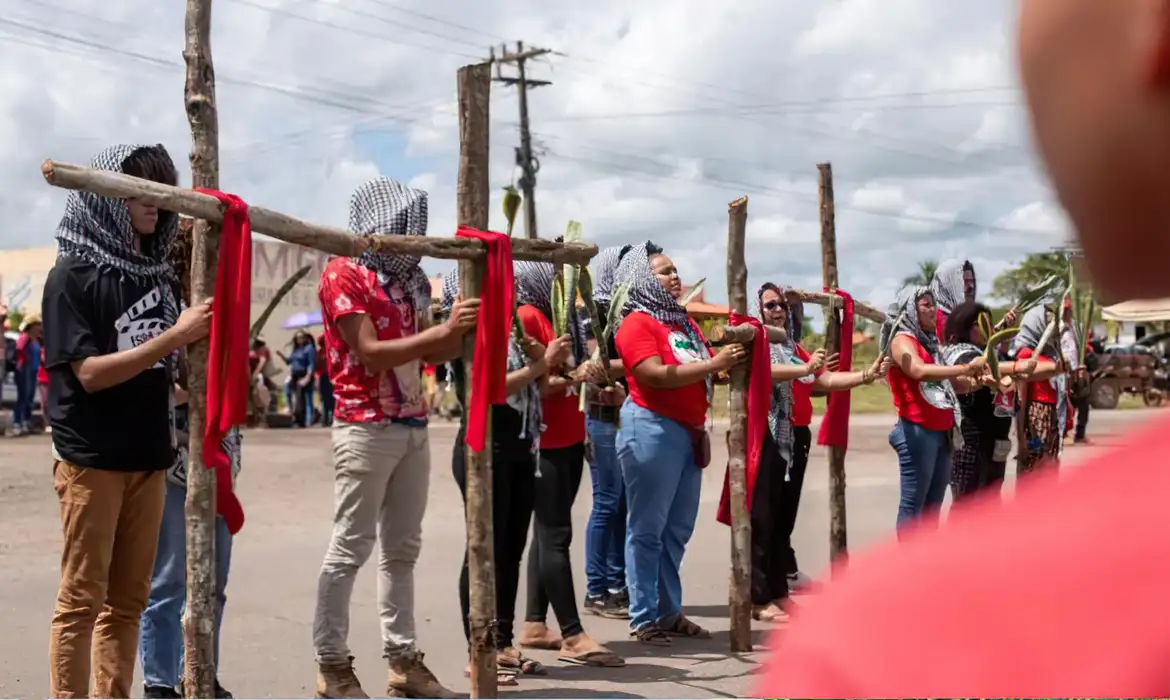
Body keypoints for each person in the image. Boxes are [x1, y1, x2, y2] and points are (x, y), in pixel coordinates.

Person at [758, 1, 1170, 694]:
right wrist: (991, 366)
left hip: (954, 436)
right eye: (950, 290)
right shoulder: (916, 338)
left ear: (1151, 39)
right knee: (929, 513)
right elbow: (927, 371)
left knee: (956, 516)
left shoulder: (864, 647)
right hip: (928, 431)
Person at [41, 144, 213, 699]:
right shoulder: (72, 275)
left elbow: (163, 373)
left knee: (129, 601)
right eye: (139, 190)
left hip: (150, 456)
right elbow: (88, 373)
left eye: (162, 192)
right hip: (91, 459)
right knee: (81, 599)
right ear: (108, 198)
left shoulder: (156, 276)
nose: (153, 204)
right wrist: (175, 336)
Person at [313, 176, 476, 699]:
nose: (413, 233)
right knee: (349, 547)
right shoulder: (344, 274)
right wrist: (440, 334)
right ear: (380, 223)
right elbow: (370, 350)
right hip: (365, 425)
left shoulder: (413, 281)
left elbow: (431, 355)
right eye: (404, 222)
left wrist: (459, 332)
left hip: (411, 424)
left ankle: (403, 660)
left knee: (402, 549)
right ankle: (332, 663)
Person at [613, 241, 745, 645]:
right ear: (641, 280)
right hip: (652, 428)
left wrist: (723, 369)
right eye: (664, 271)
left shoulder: (682, 324)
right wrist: (714, 364)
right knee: (647, 529)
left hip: (687, 432)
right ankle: (643, 617)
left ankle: (669, 611)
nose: (674, 276)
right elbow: (653, 374)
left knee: (677, 529)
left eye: (675, 270)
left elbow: (700, 369)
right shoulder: (638, 323)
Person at [741, 283, 890, 622]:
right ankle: (757, 597)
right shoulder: (755, 344)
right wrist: (804, 371)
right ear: (757, 310)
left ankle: (779, 592)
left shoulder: (793, 347)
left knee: (783, 520)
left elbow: (823, 380)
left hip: (796, 436)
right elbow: (764, 374)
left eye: (781, 305)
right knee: (762, 518)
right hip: (768, 434)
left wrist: (866, 375)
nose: (778, 310)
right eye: (770, 305)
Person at [442, 271, 564, 686]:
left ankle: (502, 641)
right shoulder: (467, 328)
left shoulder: (512, 333)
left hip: (520, 447)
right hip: (483, 448)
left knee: (510, 550)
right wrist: (540, 365)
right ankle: (478, 651)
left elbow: (538, 386)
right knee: (483, 551)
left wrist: (543, 360)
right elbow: (491, 387)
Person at [509, 261, 624, 668]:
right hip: (547, 441)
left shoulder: (551, 316)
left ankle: (535, 623)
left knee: (547, 535)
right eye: (556, 275)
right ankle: (573, 634)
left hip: (567, 438)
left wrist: (583, 378)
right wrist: (578, 376)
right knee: (556, 535)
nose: (564, 282)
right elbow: (539, 384)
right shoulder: (528, 317)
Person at [884, 288, 986, 534]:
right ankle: (908, 567)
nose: (933, 310)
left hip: (941, 432)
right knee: (913, 506)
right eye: (925, 305)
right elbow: (918, 371)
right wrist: (964, 368)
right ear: (909, 310)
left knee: (932, 510)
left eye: (933, 304)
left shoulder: (929, 344)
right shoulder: (901, 340)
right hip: (917, 431)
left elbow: (952, 386)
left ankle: (924, 566)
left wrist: (986, 381)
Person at [941, 301, 1056, 503]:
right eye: (980, 324)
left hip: (996, 440)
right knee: (966, 504)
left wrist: (1057, 368)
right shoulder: (960, 353)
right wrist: (1018, 368)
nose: (988, 329)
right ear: (966, 326)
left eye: (989, 323)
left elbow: (1016, 375)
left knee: (991, 504)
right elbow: (1002, 369)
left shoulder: (991, 352)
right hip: (971, 441)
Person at [580, 245, 632, 619]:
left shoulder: (630, 311)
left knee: (623, 504)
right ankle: (597, 588)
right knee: (607, 502)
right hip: (602, 417)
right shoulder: (596, 312)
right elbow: (592, 368)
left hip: (624, 413)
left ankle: (616, 584)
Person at [1011, 305, 1066, 474]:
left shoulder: (1051, 354)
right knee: (1034, 473)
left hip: (1050, 418)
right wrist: (1021, 438)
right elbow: (1021, 398)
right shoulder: (1027, 354)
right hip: (1036, 420)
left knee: (1048, 473)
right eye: (1049, 322)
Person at [10, 313, 42, 436]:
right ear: (31, 326)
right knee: (23, 396)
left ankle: (25, 421)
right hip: (24, 370)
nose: (40, 327)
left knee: (30, 397)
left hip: (33, 370)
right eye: (37, 324)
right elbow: (18, 351)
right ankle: (18, 422)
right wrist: (20, 364)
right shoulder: (25, 337)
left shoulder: (37, 339)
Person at [287, 330, 316, 427]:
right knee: (295, 397)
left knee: (303, 398)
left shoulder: (309, 348)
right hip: (294, 375)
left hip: (303, 375)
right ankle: (297, 418)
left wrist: (307, 377)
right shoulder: (296, 350)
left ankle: (305, 421)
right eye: (298, 338)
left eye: (301, 337)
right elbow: (290, 362)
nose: (300, 339)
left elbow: (311, 364)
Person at [317, 334, 334, 427]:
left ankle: (331, 418)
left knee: (332, 399)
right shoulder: (320, 352)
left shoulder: (331, 349)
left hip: (332, 377)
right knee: (324, 398)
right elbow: (317, 364)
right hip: (323, 376)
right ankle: (326, 418)